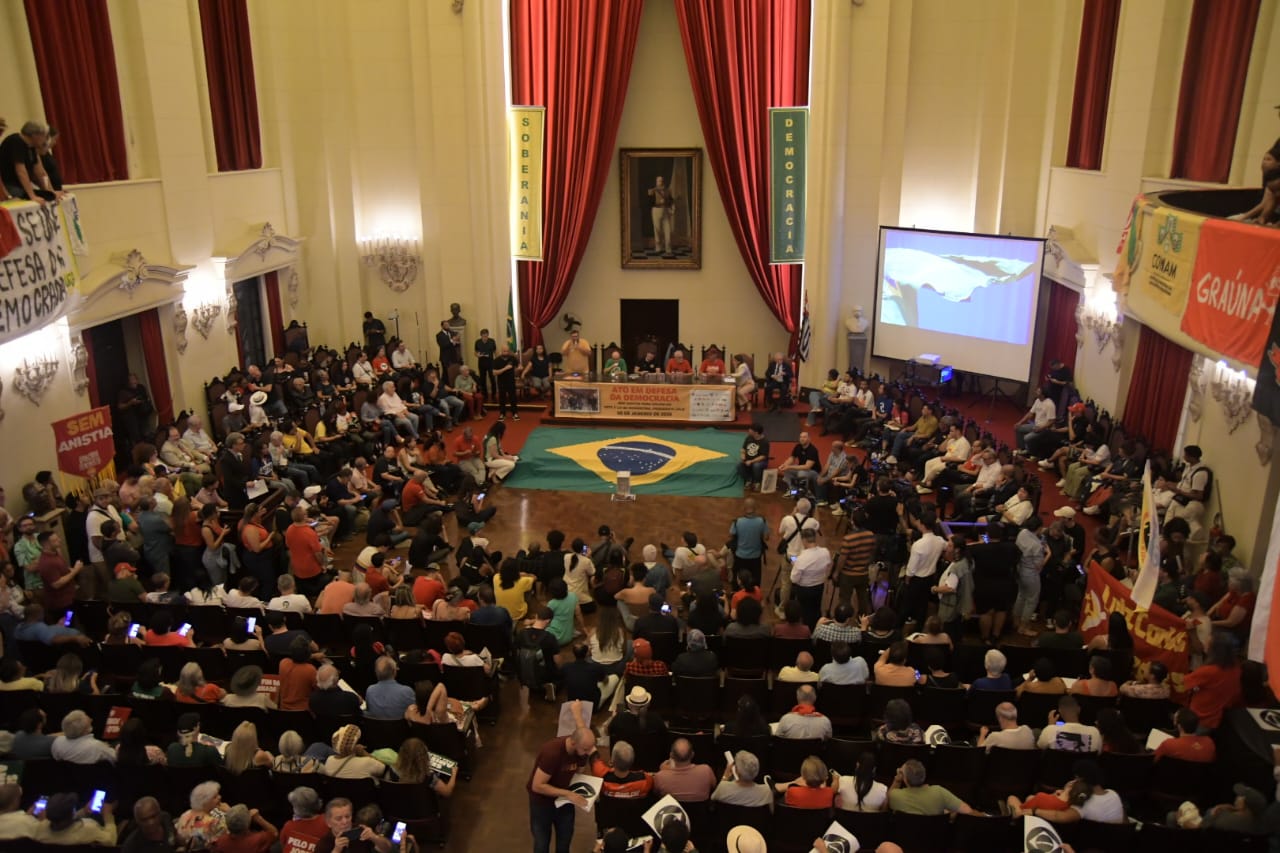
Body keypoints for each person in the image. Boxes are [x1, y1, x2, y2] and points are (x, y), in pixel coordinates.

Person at [527, 728, 597, 853]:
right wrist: (568, 794)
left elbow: (579, 772)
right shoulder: (552, 753)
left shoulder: (582, 752)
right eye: (586, 749)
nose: (588, 753)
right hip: (542, 804)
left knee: (564, 842)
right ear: (574, 743)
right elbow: (537, 786)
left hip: (564, 802)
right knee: (542, 844)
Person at [1011, 759, 1123, 824]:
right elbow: (1124, 820)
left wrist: (1035, 811)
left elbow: (1059, 816)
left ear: (1080, 779)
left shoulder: (1083, 802)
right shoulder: (1114, 794)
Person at [887, 760, 975, 815]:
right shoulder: (939, 792)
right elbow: (968, 811)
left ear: (905, 779)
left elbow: (887, 800)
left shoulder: (895, 796)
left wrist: (897, 780)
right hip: (934, 838)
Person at [313, 797, 392, 853]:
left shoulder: (361, 831)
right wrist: (336, 850)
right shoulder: (324, 844)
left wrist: (374, 837)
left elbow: (387, 849)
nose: (345, 821)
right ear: (329, 823)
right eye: (339, 818)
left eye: (347, 816)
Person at [654, 737, 717, 803]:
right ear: (692, 754)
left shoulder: (660, 776)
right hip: (702, 809)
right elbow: (714, 786)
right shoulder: (706, 770)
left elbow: (656, 793)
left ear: (671, 755)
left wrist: (663, 772)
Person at [1036, 695, 1102, 753]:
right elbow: (1098, 753)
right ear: (1079, 709)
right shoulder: (1094, 732)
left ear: (1060, 710)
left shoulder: (1050, 730)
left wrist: (1050, 726)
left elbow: (1040, 747)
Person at [737, 424, 770, 490]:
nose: (748, 431)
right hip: (748, 460)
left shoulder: (765, 442)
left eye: (750, 430)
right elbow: (743, 449)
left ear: (756, 432)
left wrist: (751, 461)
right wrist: (743, 456)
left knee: (756, 465)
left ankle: (756, 482)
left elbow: (763, 456)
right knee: (739, 466)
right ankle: (748, 480)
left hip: (760, 461)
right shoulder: (749, 438)